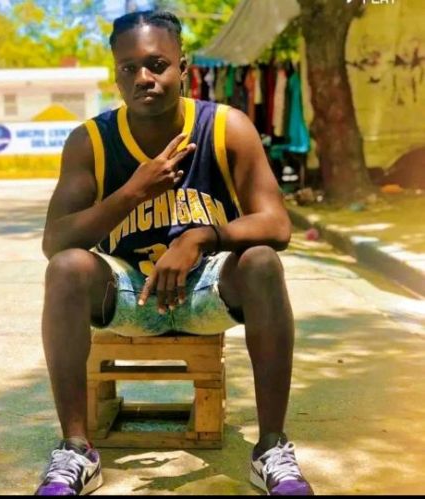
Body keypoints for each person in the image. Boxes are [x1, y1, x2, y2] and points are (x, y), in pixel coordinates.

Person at [36, 10, 314, 497]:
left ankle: (271, 448)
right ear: (117, 75)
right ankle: (76, 451)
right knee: (66, 268)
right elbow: (54, 241)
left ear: (183, 66)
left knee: (262, 262)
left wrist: (202, 237)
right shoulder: (91, 141)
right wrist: (132, 193)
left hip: (207, 291)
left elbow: (277, 224)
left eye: (157, 64)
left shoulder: (226, 127)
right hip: (131, 295)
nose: (144, 77)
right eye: (129, 68)